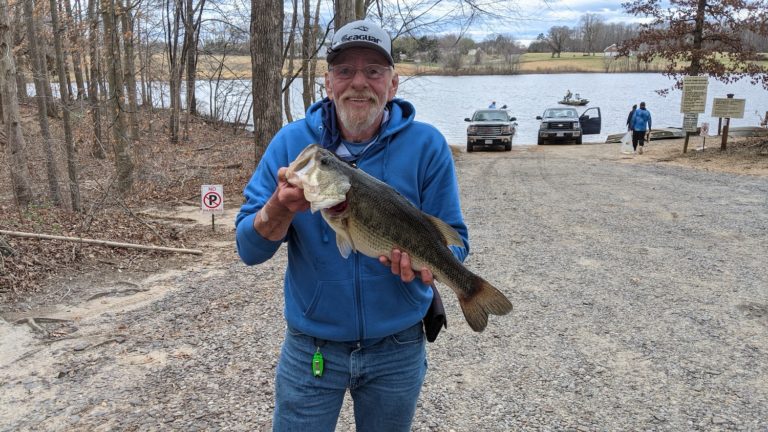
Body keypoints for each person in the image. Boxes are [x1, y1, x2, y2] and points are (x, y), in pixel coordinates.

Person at [235, 19, 468, 432]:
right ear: (328, 82)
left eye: (373, 71)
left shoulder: (427, 145)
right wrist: (279, 207)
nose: (358, 82)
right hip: (312, 349)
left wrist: (435, 265)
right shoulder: (292, 146)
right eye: (345, 71)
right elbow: (249, 250)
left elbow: (456, 241)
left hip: (398, 347)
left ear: (393, 84)